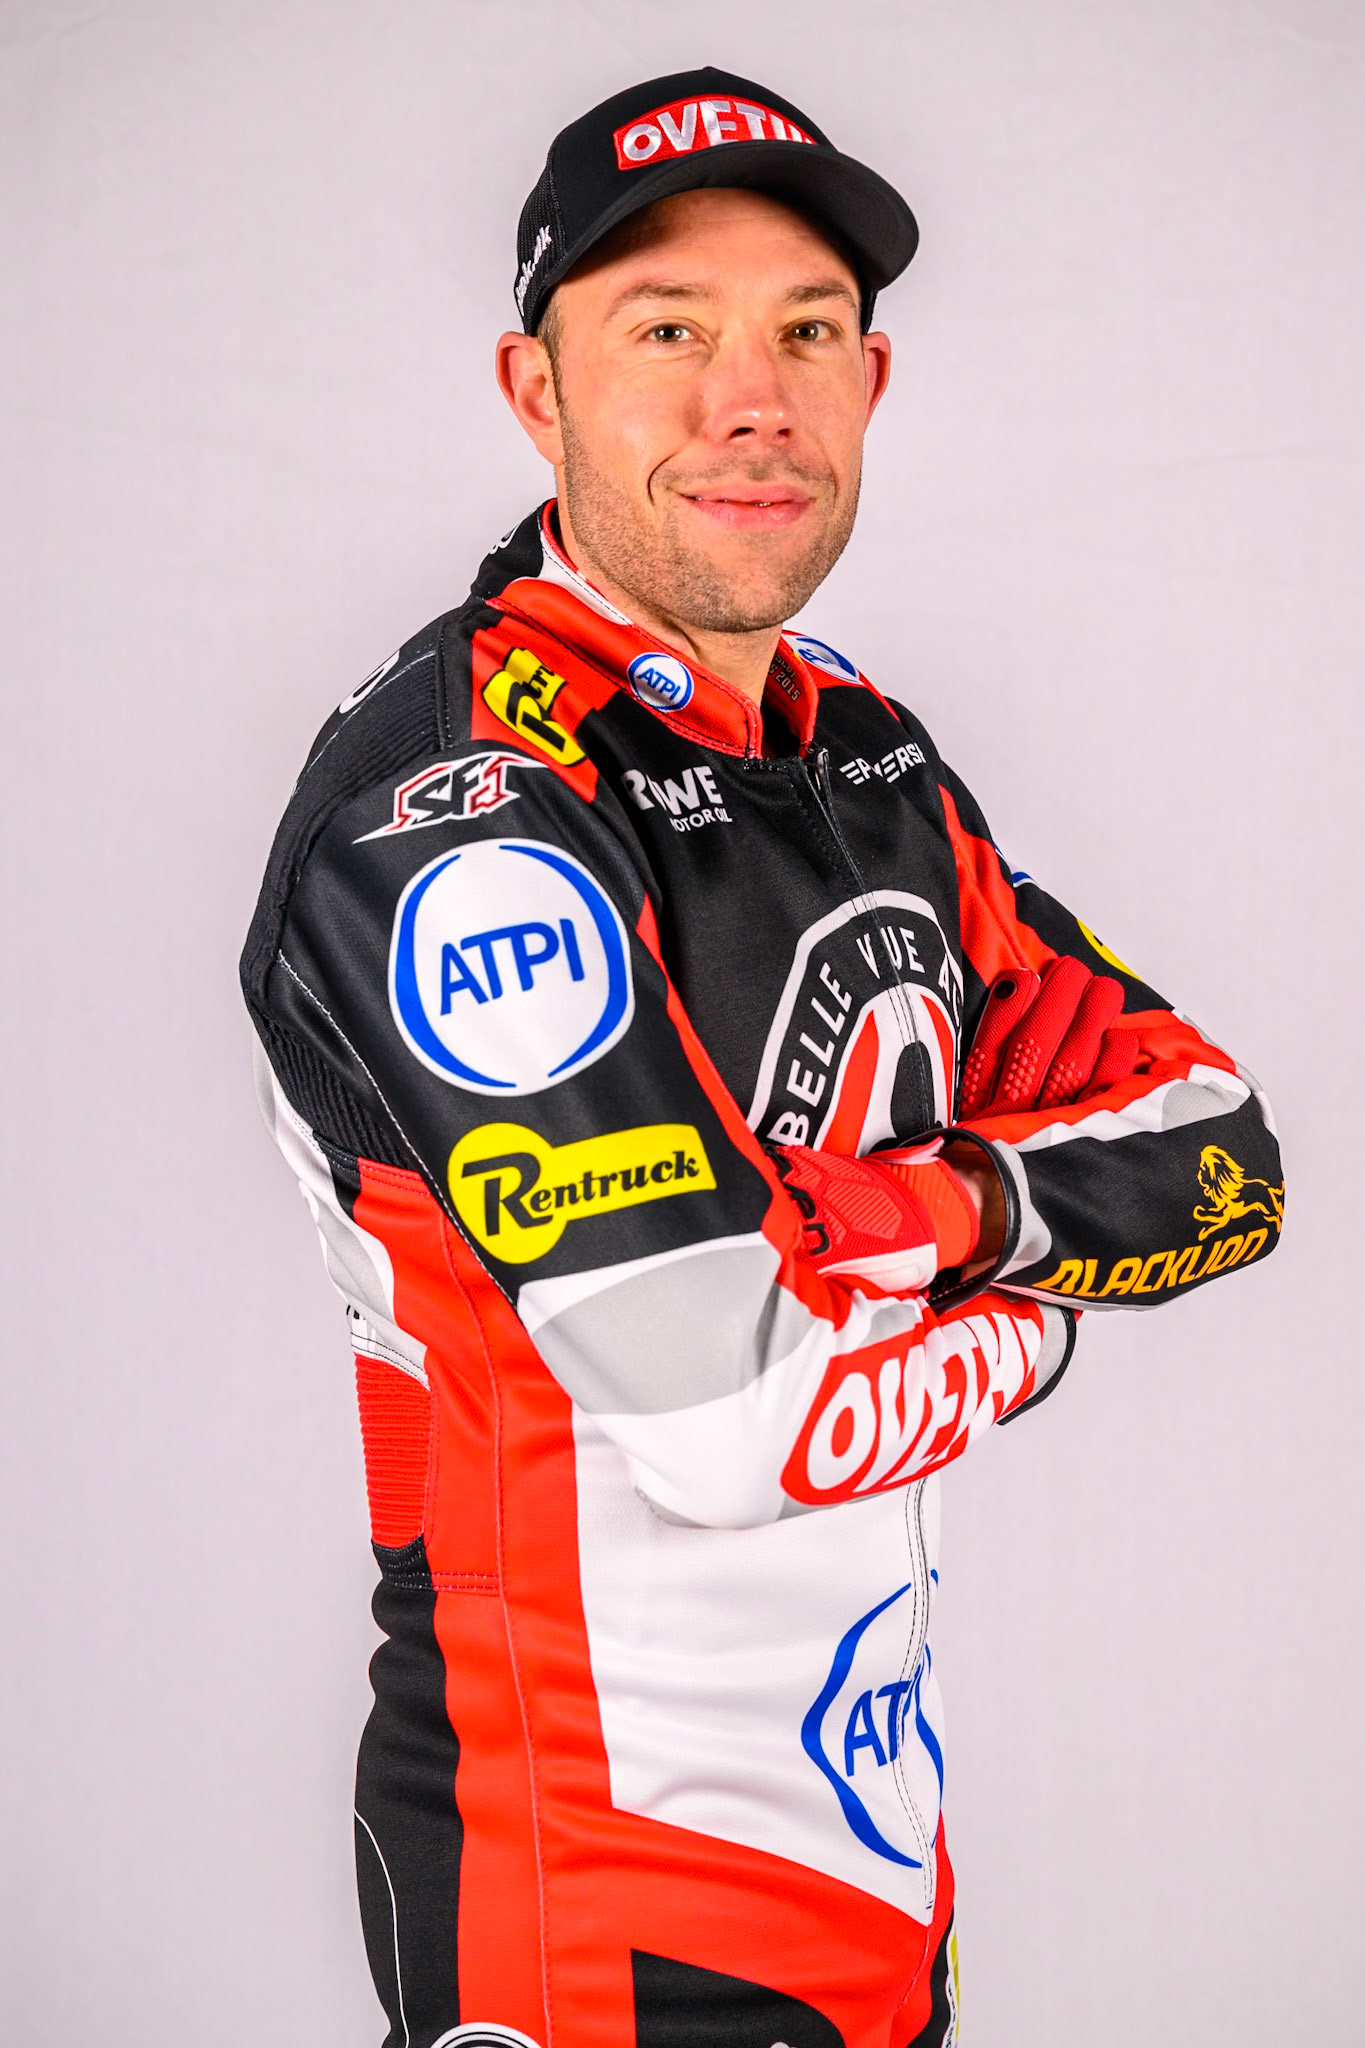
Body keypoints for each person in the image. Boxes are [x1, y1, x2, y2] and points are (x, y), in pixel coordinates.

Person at [241, 66, 1283, 2048]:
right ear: (532, 391)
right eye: (668, 333)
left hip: (876, 1869)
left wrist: (948, 1204)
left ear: (870, 389)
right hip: (587, 1917)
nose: (752, 398)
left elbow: (1221, 1153)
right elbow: (726, 1428)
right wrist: (1044, 1314)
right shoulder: (458, 813)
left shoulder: (864, 756)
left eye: (804, 332)